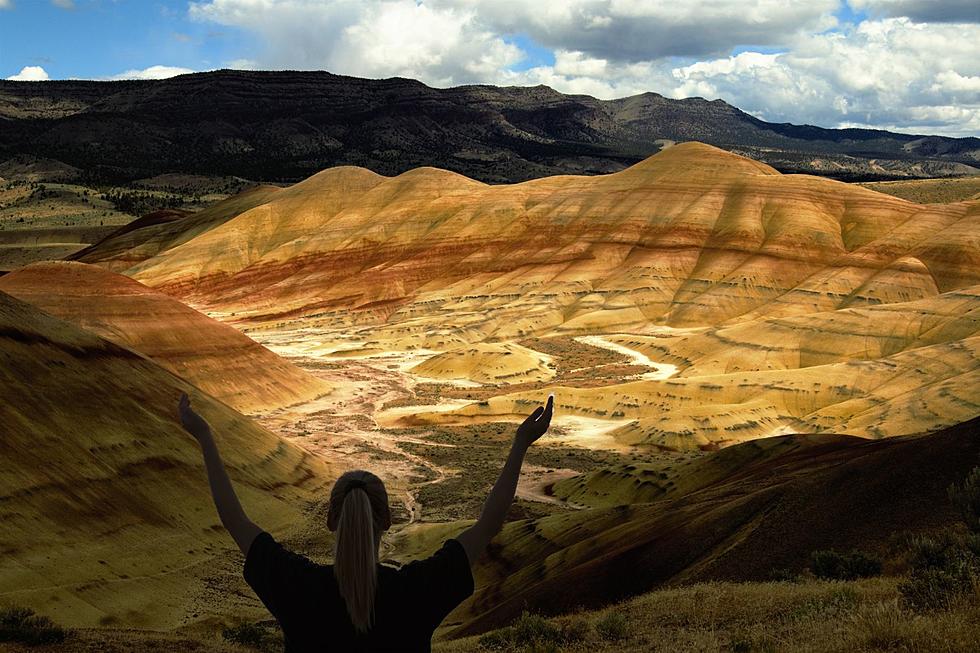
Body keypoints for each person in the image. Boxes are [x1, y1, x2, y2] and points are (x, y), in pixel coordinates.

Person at [178, 391, 555, 652]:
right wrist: (520, 443)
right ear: (387, 520)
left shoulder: (297, 588)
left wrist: (204, 437)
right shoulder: (415, 593)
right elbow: (488, 524)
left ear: (330, 520)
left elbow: (233, 519)